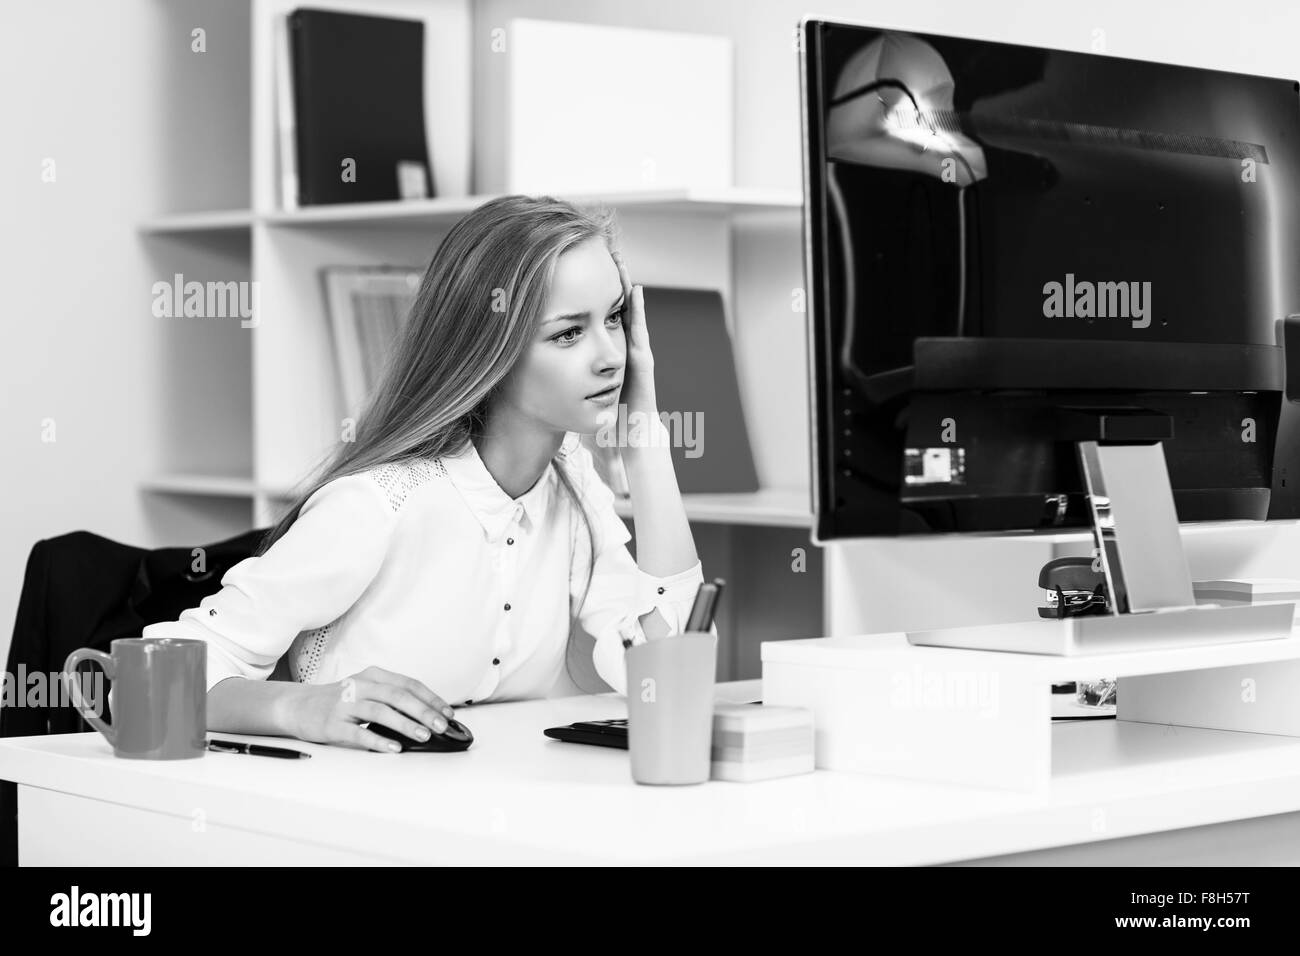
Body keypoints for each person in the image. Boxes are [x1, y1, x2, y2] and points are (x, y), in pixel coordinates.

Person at [142, 195, 710, 753]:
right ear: (489, 348)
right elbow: (147, 682)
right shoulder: (378, 503)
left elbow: (660, 675)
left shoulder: (575, 486)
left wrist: (645, 440)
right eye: (568, 333)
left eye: (614, 319)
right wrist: (303, 706)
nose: (611, 355)